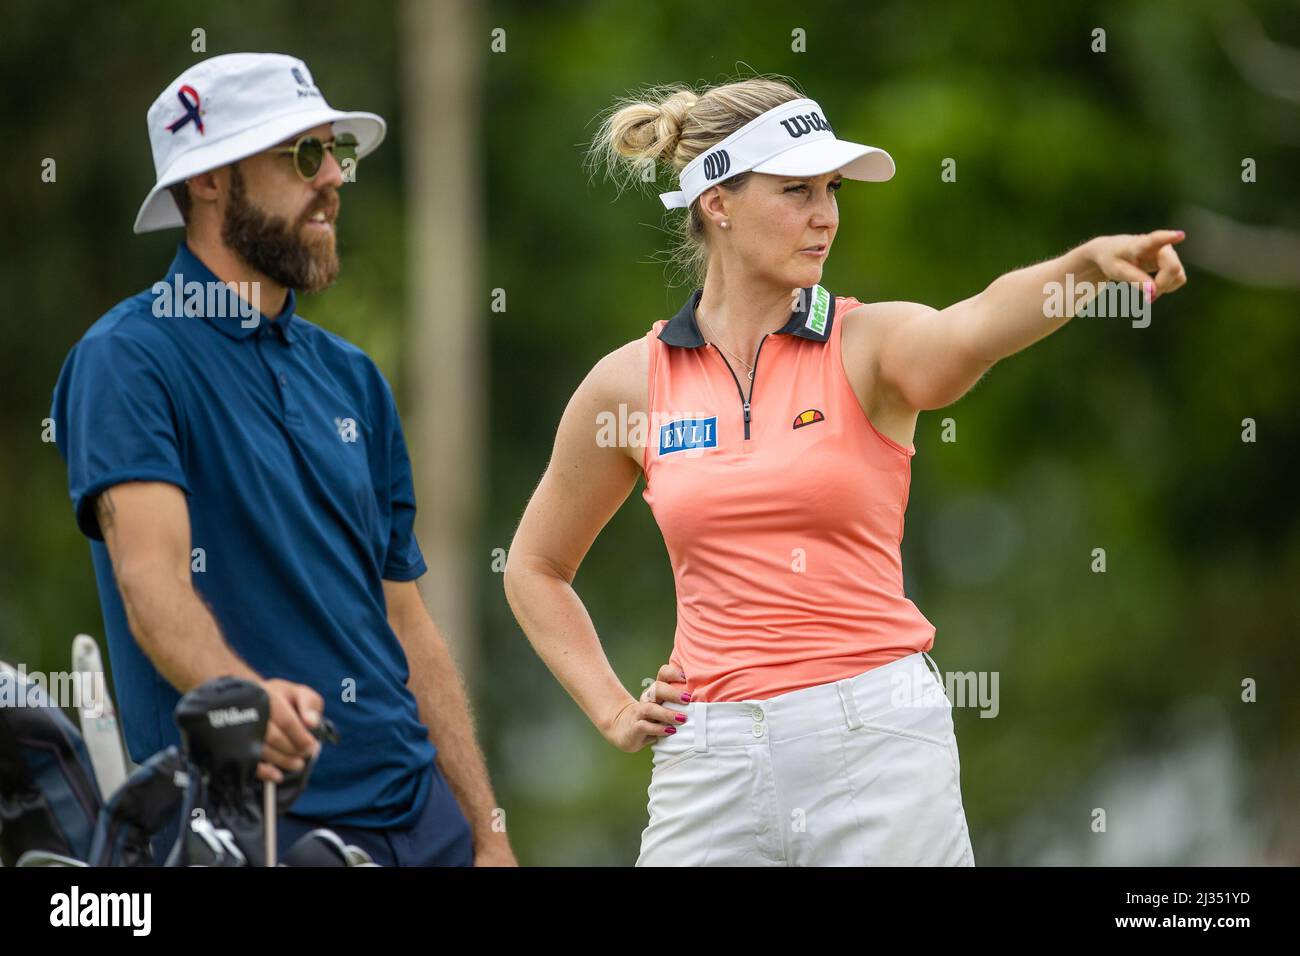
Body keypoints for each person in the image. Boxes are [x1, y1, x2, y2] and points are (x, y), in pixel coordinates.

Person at [503, 76, 1187, 866]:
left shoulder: (868, 346)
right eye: (795, 190)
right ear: (717, 202)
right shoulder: (630, 383)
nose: (825, 213)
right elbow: (535, 567)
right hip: (707, 759)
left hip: (878, 743)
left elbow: (977, 327)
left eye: (830, 189)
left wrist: (1085, 268)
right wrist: (614, 709)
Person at [50, 52, 514, 867]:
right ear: (209, 182)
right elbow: (150, 583)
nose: (334, 177)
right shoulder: (127, 359)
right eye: (303, 155)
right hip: (253, 829)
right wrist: (245, 700)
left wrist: (485, 829)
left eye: (337, 152)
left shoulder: (354, 379)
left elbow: (407, 623)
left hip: (424, 821)